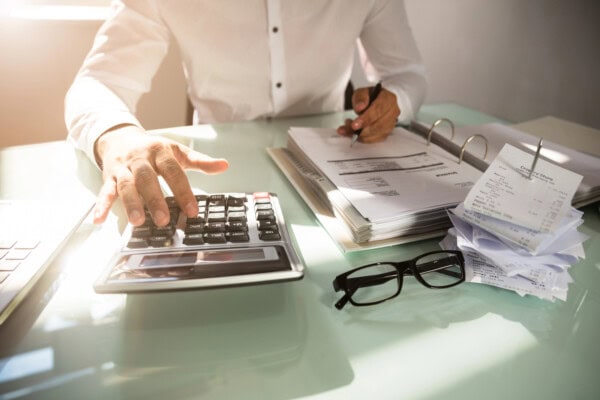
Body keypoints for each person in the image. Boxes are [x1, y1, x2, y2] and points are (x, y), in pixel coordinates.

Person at [65, 0, 427, 228]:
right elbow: (99, 82)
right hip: (215, 181)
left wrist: (397, 101)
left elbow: (406, 74)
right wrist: (118, 134)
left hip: (339, 179)